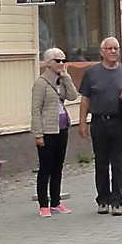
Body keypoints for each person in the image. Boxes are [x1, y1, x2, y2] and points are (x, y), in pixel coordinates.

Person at [78, 37, 122, 216]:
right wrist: (82, 122)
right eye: (109, 48)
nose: (113, 51)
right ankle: (103, 199)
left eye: (116, 48)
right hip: (99, 122)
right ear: (102, 52)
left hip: (119, 122)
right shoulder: (92, 72)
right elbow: (85, 99)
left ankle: (117, 201)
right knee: (101, 162)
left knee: (119, 163)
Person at [30, 48, 79, 217]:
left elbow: (73, 96)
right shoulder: (41, 83)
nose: (61, 64)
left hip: (62, 127)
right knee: (46, 167)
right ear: (49, 63)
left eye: (63, 61)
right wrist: (38, 134)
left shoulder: (61, 80)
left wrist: (66, 76)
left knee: (58, 166)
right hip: (47, 129)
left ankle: (56, 201)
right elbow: (36, 109)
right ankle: (43, 203)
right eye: (58, 61)